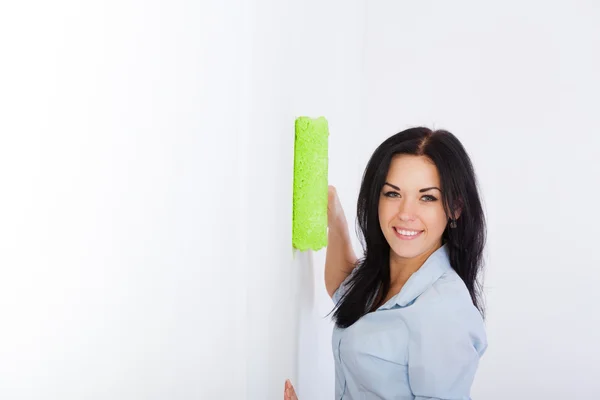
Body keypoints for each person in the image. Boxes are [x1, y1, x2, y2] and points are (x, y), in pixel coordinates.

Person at [284, 127, 488, 400]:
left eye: (427, 197)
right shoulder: (383, 279)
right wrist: (336, 220)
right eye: (393, 194)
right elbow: (344, 289)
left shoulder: (444, 313)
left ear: (455, 208)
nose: (406, 213)